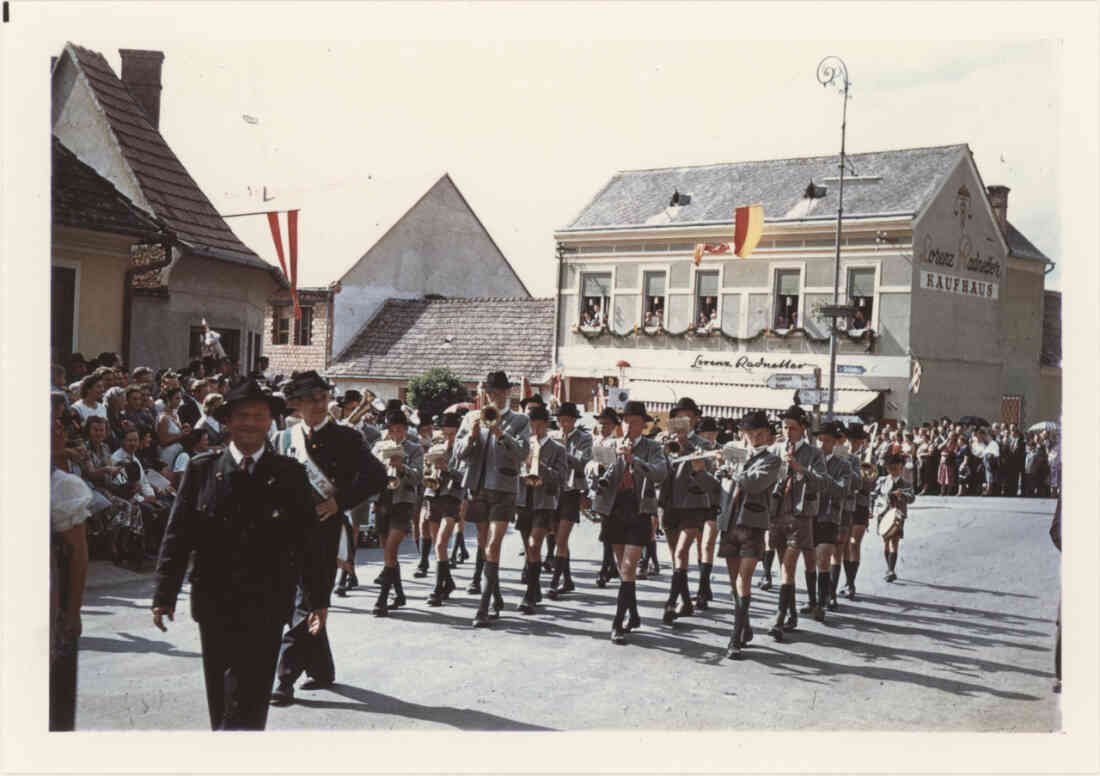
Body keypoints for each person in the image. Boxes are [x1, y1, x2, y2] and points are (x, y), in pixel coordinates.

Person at [152, 380, 331, 730]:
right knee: (219, 693)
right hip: (214, 600)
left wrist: (317, 599)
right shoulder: (202, 469)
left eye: (259, 417)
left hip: (266, 603)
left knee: (251, 694)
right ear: (229, 422)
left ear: (271, 423)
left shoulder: (289, 475)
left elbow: (308, 543)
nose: (250, 423)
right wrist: (164, 594)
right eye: (242, 416)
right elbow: (178, 536)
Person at [270, 371, 388, 705]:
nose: (319, 405)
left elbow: (377, 477)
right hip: (289, 533)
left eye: (322, 398)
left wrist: (340, 502)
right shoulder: (283, 439)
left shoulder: (346, 438)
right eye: (310, 400)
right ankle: (321, 669)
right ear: (297, 405)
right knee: (305, 600)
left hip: (324, 533)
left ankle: (284, 678)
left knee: (309, 602)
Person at [454, 371, 531, 627]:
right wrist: (473, 436)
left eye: (498, 393)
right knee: (484, 543)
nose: (493, 397)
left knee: (494, 544)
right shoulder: (470, 417)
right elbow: (459, 455)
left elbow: (522, 453)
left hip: (503, 488)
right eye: (489, 393)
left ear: (507, 393)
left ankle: (484, 605)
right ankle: (495, 595)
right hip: (477, 487)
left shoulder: (519, 420)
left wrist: (500, 434)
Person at [589, 401, 668, 644]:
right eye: (626, 421)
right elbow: (590, 466)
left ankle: (618, 623)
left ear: (643, 425)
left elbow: (660, 473)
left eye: (635, 422)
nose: (629, 425)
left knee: (628, 567)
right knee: (623, 568)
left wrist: (635, 461)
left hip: (639, 509)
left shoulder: (653, 447)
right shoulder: (610, 443)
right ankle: (633, 614)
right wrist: (596, 466)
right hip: (614, 509)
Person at [714, 411, 781, 660]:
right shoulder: (736, 455)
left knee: (744, 581)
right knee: (734, 583)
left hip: (752, 525)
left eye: (759, 433)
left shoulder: (772, 460)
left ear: (767, 434)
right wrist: (713, 470)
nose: (754, 437)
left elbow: (753, 483)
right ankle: (744, 626)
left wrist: (731, 469)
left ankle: (734, 639)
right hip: (729, 523)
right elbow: (719, 486)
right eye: (750, 433)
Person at [767, 406, 826, 641]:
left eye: (792, 428)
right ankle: (791, 613)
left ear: (802, 429)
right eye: (784, 427)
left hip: (800, 515)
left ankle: (780, 618)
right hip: (777, 513)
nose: (787, 431)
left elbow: (822, 482)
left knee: (789, 564)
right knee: (783, 566)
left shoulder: (814, 453)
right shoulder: (775, 449)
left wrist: (800, 469)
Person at [659, 397, 716, 622]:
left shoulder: (704, 444)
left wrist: (686, 445)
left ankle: (671, 602)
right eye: (679, 416)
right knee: (675, 556)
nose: (683, 420)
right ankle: (686, 601)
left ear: (695, 419)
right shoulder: (665, 441)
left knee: (682, 551)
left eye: (687, 416)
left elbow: (707, 473)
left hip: (693, 505)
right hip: (669, 503)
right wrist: (660, 446)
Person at [368, 408, 424, 617]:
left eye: (400, 430)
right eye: (392, 431)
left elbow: (418, 478)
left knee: (391, 548)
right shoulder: (379, 447)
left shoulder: (415, 449)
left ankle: (381, 600)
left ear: (406, 430)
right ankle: (399, 594)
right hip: (383, 501)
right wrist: (383, 466)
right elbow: (370, 472)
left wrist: (402, 468)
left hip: (404, 502)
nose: (396, 435)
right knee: (387, 552)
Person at [514, 403, 568, 614]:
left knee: (535, 544)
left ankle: (529, 594)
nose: (533, 428)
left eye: (537, 424)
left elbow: (561, 479)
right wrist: (522, 469)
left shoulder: (557, 448)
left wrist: (539, 466)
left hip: (544, 502)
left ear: (545, 424)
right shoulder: (524, 445)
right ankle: (535, 590)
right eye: (530, 424)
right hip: (524, 500)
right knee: (529, 550)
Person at [547, 402, 592, 599]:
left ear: (574, 420)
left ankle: (555, 582)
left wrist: (563, 451)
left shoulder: (584, 438)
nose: (563, 424)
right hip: (554, 490)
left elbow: (583, 463)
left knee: (562, 538)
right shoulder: (552, 437)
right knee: (556, 537)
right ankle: (568, 579)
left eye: (567, 420)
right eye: (560, 421)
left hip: (572, 490)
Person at [809, 422, 852, 622]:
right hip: (809, 515)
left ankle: (821, 602)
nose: (822, 444)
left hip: (829, 516)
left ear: (835, 442)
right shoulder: (809, 460)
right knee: (811, 560)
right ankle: (813, 599)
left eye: (826, 440)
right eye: (819, 440)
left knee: (823, 557)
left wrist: (822, 479)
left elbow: (843, 490)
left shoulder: (843, 465)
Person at [424, 413, 464, 606]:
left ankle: (438, 587)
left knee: (441, 544)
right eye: (446, 433)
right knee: (437, 546)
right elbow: (427, 473)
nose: (449, 437)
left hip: (452, 499)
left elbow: (465, 476)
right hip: (434, 497)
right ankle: (447, 582)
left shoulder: (462, 450)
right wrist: (431, 467)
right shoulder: (435, 447)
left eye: (453, 433)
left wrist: (448, 468)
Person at [587, 407, 624, 588]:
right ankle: (610, 567)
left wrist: (599, 467)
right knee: (607, 532)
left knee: (608, 533)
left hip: (613, 493)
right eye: (600, 423)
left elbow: (611, 467)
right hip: (600, 492)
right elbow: (589, 465)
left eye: (606, 424)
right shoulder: (597, 442)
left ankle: (606, 569)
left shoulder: (615, 443)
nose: (602, 427)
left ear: (614, 426)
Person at [872, 452, 916, 582]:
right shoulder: (882, 480)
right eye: (890, 468)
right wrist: (873, 507)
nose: (892, 470)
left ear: (901, 468)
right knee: (885, 542)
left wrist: (901, 495)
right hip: (883, 514)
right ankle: (888, 567)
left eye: (895, 468)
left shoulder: (906, 483)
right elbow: (874, 495)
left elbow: (912, 498)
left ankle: (891, 570)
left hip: (897, 515)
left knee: (894, 542)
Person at [842, 423, 874, 600]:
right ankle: (847, 580)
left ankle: (851, 582)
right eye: (851, 440)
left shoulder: (868, 457)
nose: (853, 444)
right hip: (846, 503)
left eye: (857, 441)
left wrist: (863, 473)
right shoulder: (843, 455)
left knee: (855, 543)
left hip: (860, 503)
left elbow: (869, 485)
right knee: (845, 543)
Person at [157, 387, 191, 469]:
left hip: (177, 453)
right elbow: (162, 441)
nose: (180, 401)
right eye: (177, 398)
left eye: (180, 398)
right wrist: (181, 434)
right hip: (168, 455)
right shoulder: (163, 418)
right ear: (168, 399)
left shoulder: (176, 414)